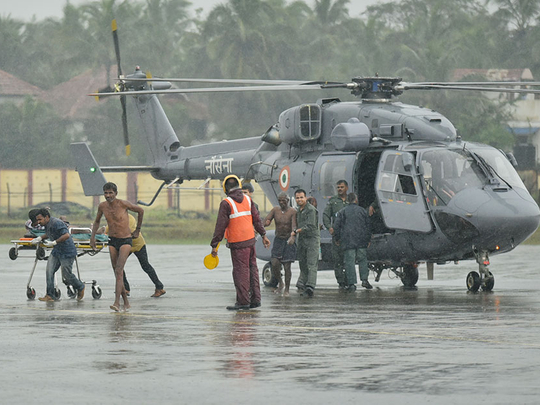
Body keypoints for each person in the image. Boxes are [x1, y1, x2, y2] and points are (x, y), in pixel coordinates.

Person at [210, 175, 270, 310]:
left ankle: (243, 302)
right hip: (250, 240)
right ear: (239, 186)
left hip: (238, 243)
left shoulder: (226, 203)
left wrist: (215, 245)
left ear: (226, 188)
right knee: (252, 269)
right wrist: (263, 235)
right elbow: (257, 219)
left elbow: (220, 226)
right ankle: (256, 300)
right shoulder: (248, 200)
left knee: (240, 272)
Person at [90, 182, 144, 312]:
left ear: (116, 193)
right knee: (117, 272)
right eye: (106, 193)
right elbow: (97, 221)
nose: (108, 195)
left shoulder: (123, 204)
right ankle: (125, 302)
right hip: (112, 240)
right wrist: (92, 238)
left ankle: (116, 302)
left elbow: (140, 210)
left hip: (125, 240)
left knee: (119, 270)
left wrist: (137, 230)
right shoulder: (102, 206)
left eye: (110, 193)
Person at [105, 214, 166, 298]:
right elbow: (106, 229)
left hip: (138, 244)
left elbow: (126, 231)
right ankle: (126, 288)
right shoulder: (113, 219)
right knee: (119, 266)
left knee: (145, 265)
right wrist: (96, 231)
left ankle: (159, 287)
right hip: (125, 245)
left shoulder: (129, 218)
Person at [33, 208, 85, 302]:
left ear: (47, 217)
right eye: (37, 220)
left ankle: (80, 286)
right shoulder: (47, 224)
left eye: (40, 219)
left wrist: (54, 242)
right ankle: (50, 295)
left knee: (67, 275)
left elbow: (66, 235)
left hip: (67, 250)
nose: (38, 222)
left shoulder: (57, 223)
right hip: (57, 251)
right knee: (49, 271)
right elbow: (49, 233)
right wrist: (40, 238)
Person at [333, 192, 372, 290]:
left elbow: (336, 227)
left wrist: (337, 238)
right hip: (361, 240)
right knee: (363, 260)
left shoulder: (342, 212)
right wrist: (368, 239)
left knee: (349, 262)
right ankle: (364, 280)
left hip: (348, 240)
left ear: (347, 200)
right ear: (356, 199)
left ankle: (351, 284)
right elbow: (368, 227)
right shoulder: (363, 211)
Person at [264, 192, 297, 296]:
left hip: (288, 240)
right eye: (280, 201)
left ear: (288, 201)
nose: (282, 203)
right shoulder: (275, 210)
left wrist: (293, 236)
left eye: (284, 201)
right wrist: (263, 225)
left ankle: (287, 289)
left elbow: (294, 226)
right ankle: (280, 283)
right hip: (278, 239)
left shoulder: (292, 212)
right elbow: (267, 220)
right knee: (274, 262)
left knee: (287, 266)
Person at [292, 189, 320, 297]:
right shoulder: (299, 210)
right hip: (302, 240)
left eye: (301, 197)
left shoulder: (311, 210)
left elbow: (310, 226)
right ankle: (303, 284)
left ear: (305, 198)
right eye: (297, 198)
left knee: (311, 264)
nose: (299, 200)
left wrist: (296, 232)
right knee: (302, 263)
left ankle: (310, 287)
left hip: (312, 240)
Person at [323, 179, 350, 289]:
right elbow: (326, 215)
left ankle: (349, 280)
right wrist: (329, 227)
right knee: (338, 260)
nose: (339, 189)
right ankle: (341, 282)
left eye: (342, 187)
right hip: (337, 235)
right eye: (338, 187)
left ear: (346, 188)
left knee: (349, 259)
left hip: (349, 235)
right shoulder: (333, 201)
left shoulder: (351, 200)